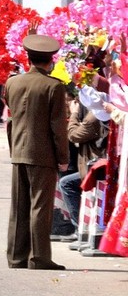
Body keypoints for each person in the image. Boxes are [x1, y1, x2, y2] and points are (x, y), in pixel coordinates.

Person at [4, 34, 69, 270]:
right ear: (50, 60)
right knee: (40, 206)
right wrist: (63, 157)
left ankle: (16, 257)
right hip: (42, 154)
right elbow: (58, 127)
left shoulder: (12, 82)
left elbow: (11, 111)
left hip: (18, 151)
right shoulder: (53, 86)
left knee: (19, 206)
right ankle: (39, 257)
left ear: (28, 57)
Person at [57, 92, 107, 242]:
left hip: (96, 166)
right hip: (92, 163)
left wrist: (74, 114)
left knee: (66, 183)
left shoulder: (94, 115)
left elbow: (74, 135)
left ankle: (80, 226)